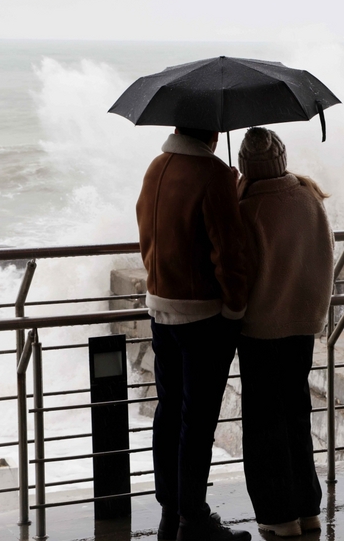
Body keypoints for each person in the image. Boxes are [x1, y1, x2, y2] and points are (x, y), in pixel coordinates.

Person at [136, 127, 251, 541]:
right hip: (203, 316)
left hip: (160, 308)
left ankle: (171, 510)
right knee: (197, 421)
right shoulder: (214, 174)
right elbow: (229, 252)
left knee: (168, 413)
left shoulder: (156, 167)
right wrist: (235, 309)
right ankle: (194, 519)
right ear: (212, 132)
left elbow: (148, 237)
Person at [235, 127, 334, 538]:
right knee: (296, 413)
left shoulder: (247, 207)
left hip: (260, 329)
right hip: (303, 326)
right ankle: (307, 508)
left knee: (263, 422)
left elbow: (239, 270)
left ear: (245, 166)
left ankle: (278, 517)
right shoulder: (309, 196)